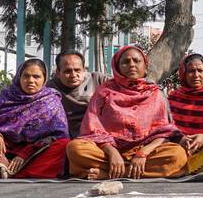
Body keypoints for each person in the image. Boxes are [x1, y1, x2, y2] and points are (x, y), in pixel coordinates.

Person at [66, 44, 189, 180]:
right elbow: (93, 131)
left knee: (177, 155)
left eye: (136, 61)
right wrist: (112, 152)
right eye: (125, 62)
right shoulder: (104, 92)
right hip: (107, 152)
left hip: (146, 152)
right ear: (117, 67)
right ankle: (129, 171)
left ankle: (113, 173)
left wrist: (143, 152)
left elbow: (164, 132)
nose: (131, 65)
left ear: (145, 66)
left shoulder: (155, 93)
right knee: (75, 148)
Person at [0, 58, 70, 179]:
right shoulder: (7, 96)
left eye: (36, 76)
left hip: (35, 154)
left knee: (63, 145)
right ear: (19, 77)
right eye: (26, 76)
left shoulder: (51, 100)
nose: (30, 81)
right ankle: (6, 171)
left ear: (44, 79)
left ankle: (17, 174)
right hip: (3, 152)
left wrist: (25, 153)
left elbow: (57, 135)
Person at [46, 50, 105, 139]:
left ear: (84, 70)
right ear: (58, 73)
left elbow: (124, 85)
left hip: (100, 131)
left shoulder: (97, 79)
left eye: (77, 70)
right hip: (69, 137)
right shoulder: (50, 88)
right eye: (68, 71)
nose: (73, 75)